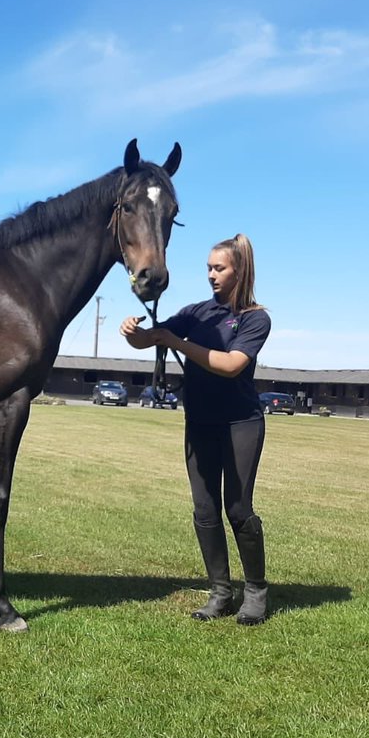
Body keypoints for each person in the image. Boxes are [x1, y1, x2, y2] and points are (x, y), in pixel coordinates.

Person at [119, 234, 272, 625]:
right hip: (199, 422)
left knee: (238, 510)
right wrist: (133, 332)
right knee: (205, 510)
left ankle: (255, 591)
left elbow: (231, 364)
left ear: (240, 270)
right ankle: (220, 592)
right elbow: (151, 339)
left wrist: (177, 342)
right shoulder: (195, 313)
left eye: (219, 268)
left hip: (241, 423)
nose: (210, 275)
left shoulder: (256, 318)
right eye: (208, 268)